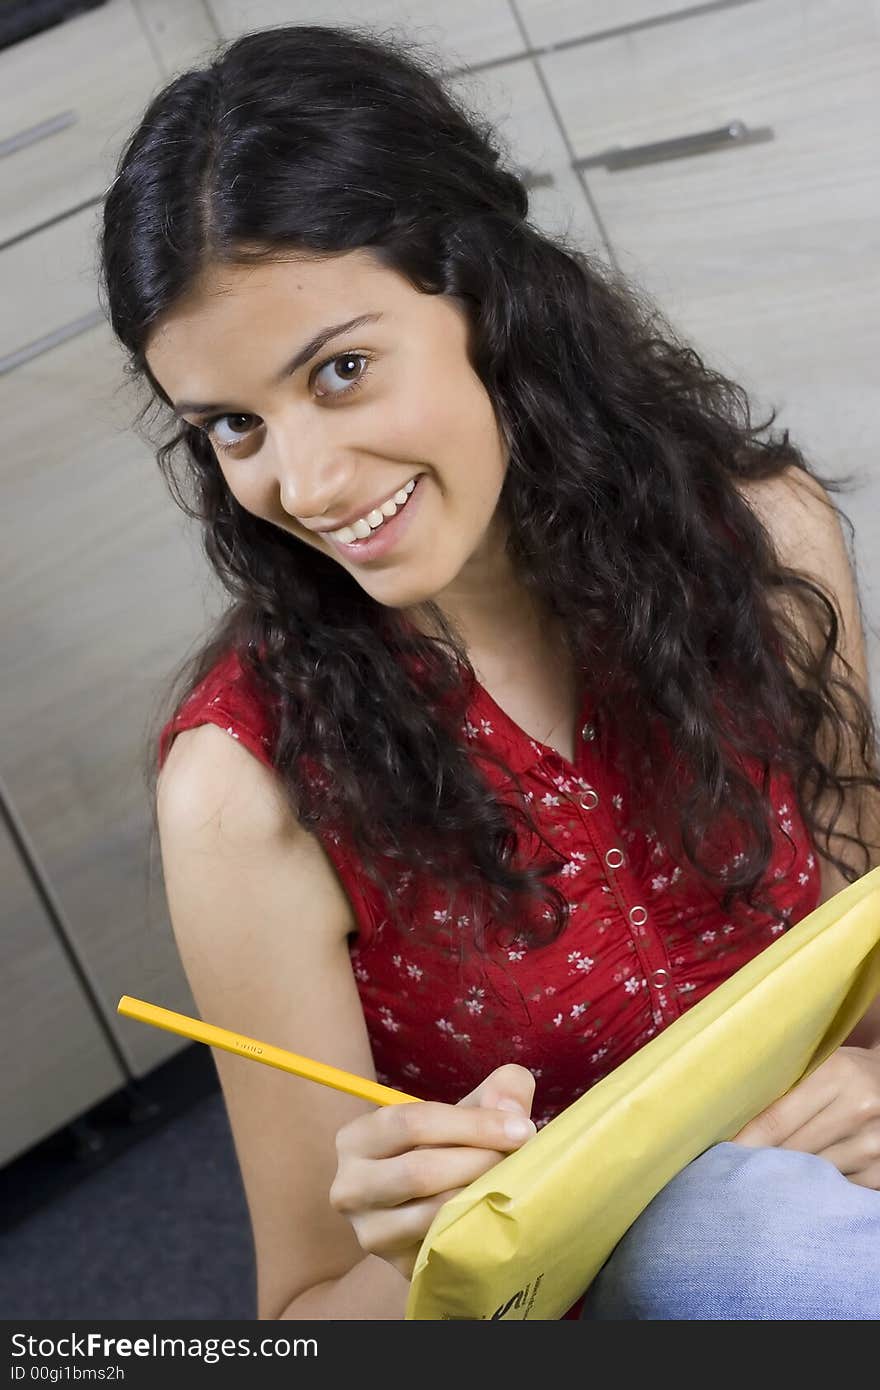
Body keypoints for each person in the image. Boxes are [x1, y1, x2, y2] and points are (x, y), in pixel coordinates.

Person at [99, 23, 880, 1320]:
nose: (304, 484)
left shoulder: (763, 539)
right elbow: (301, 1314)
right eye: (234, 425)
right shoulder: (246, 791)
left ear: (484, 294)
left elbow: (867, 959)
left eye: (340, 371)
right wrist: (414, 1254)